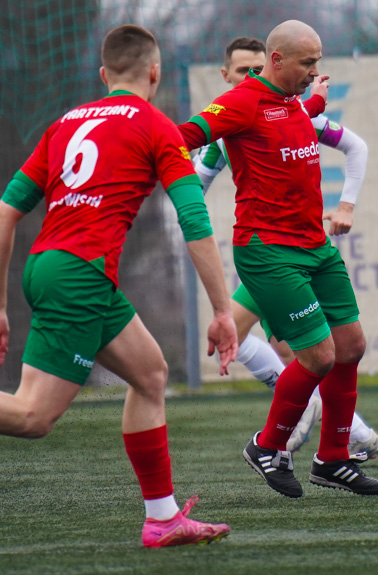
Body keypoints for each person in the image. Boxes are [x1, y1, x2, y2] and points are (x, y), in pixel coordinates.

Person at [0, 25, 238, 546]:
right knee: (34, 416)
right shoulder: (157, 127)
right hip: (80, 274)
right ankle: (161, 518)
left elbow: (5, 212)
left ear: (104, 75)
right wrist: (222, 310)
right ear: (155, 72)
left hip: (54, 268)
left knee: (151, 374)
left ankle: (162, 519)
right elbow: (194, 222)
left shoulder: (65, 123)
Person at [180, 20, 378, 498]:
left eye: (318, 61)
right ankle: (267, 446)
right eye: (308, 63)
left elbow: (293, 115)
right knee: (317, 356)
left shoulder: (294, 100)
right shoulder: (239, 102)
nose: (316, 71)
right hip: (268, 251)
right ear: (277, 61)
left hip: (314, 245)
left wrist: (315, 100)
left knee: (351, 347)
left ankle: (332, 459)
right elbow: (183, 136)